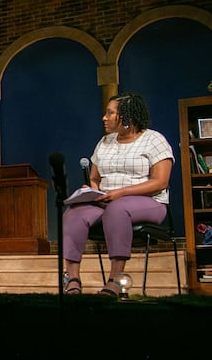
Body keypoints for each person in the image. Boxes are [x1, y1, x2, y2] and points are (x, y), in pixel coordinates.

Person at [63, 92, 174, 297]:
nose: (104, 118)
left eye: (109, 113)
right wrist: (92, 189)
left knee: (117, 209)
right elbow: (95, 177)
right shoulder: (105, 142)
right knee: (74, 213)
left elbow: (160, 182)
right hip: (105, 200)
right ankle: (73, 279)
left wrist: (120, 193)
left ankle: (115, 280)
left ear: (126, 116)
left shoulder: (154, 140)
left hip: (148, 202)